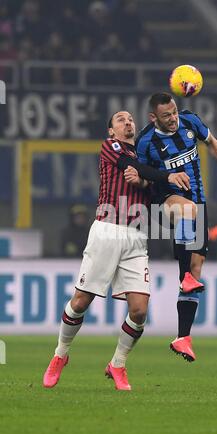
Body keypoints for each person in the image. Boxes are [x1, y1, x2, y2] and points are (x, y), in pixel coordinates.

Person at [43, 110, 190, 391]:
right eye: (120, 120)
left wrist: (150, 180)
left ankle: (117, 364)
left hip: (137, 235)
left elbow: (153, 187)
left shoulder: (147, 159)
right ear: (112, 130)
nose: (128, 122)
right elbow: (129, 165)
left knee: (139, 311)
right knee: (80, 302)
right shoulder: (111, 147)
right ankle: (60, 355)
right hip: (107, 230)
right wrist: (164, 176)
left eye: (131, 119)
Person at [131, 92, 217, 362]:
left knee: (196, 268)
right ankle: (186, 278)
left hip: (198, 203)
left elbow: (213, 143)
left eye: (174, 112)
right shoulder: (145, 141)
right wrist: (139, 180)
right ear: (153, 117)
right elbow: (145, 176)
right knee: (186, 213)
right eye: (166, 115)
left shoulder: (190, 122)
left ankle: (183, 337)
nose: (173, 118)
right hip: (164, 201)